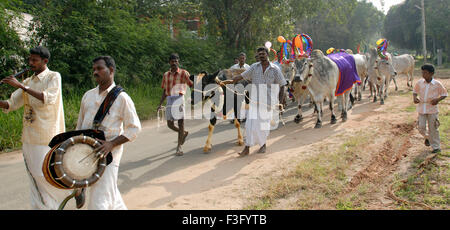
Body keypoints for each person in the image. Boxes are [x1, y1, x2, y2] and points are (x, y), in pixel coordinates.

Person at [0, 46, 69, 209]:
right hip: (29, 136)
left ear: (45, 61)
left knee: (43, 175)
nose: (30, 63)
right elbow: (10, 104)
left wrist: (21, 86)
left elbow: (48, 98)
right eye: (29, 59)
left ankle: (61, 199)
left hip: (47, 136)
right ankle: (39, 206)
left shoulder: (53, 76)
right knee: (33, 177)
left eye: (34, 60)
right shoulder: (27, 81)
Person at [76, 56, 141, 209]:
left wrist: (111, 144)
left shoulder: (122, 98)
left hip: (109, 155)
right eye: (94, 69)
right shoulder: (88, 95)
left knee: (99, 199)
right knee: (110, 194)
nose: (95, 72)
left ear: (111, 70)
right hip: (87, 151)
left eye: (99, 68)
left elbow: (134, 128)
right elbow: (80, 125)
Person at [221, 47, 287, 156]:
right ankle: (247, 148)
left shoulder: (275, 69)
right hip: (255, 100)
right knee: (250, 124)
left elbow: (282, 85)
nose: (261, 55)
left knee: (263, 126)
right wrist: (228, 81)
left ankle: (263, 145)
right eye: (259, 54)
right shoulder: (254, 67)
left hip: (268, 102)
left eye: (263, 53)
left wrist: (280, 102)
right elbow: (241, 76)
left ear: (267, 54)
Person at [157, 53, 193, 156]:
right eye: (172, 61)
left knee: (181, 123)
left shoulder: (184, 73)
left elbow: (191, 85)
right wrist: (160, 103)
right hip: (170, 98)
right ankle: (183, 133)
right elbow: (164, 90)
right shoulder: (166, 75)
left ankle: (179, 147)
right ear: (169, 62)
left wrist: (189, 97)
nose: (174, 63)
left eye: (176, 61)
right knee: (170, 124)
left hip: (179, 98)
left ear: (178, 62)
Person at [413, 64, 447, 153]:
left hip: (432, 109)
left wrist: (437, 100)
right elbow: (415, 91)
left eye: (425, 73)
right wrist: (414, 98)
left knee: (433, 128)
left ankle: (436, 147)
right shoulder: (419, 82)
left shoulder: (437, 84)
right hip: (422, 108)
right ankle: (427, 137)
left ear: (431, 74)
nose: (423, 75)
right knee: (421, 127)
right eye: (422, 73)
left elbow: (444, 94)